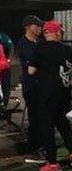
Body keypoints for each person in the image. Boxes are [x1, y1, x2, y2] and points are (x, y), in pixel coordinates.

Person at [27, 21, 72, 171]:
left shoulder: (40, 48)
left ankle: (52, 162)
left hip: (46, 93)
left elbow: (31, 71)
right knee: (63, 122)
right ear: (57, 32)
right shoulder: (68, 49)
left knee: (47, 126)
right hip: (64, 92)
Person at [18, 15, 44, 163]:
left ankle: (40, 145)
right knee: (35, 118)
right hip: (31, 86)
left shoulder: (39, 42)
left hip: (41, 85)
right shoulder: (23, 43)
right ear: (28, 27)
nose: (40, 28)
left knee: (43, 117)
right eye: (37, 25)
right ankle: (33, 149)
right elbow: (32, 62)